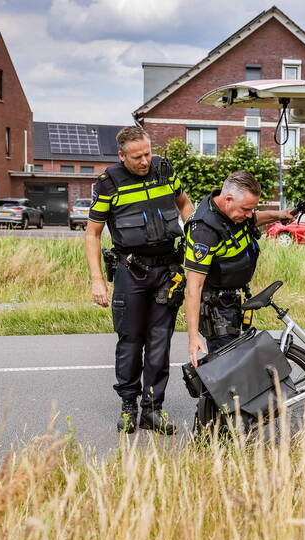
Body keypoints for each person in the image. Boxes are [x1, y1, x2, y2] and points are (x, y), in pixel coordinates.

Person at [84, 126, 194, 433]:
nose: (145, 161)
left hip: (168, 272)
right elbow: (93, 234)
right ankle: (129, 408)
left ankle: (153, 409)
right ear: (122, 156)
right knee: (131, 341)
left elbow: (185, 204)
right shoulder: (109, 183)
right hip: (131, 272)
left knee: (159, 342)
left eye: (147, 153)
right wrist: (97, 280)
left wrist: (194, 237)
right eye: (137, 157)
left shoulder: (163, 169)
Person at [183, 171, 295, 364]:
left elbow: (255, 218)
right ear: (228, 199)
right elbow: (194, 288)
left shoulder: (232, 213)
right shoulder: (204, 231)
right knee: (227, 368)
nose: (249, 214)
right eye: (246, 209)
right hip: (217, 308)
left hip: (232, 300)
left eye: (252, 209)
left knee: (236, 363)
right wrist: (193, 338)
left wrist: (279, 215)